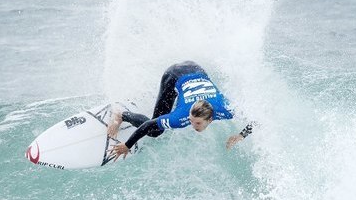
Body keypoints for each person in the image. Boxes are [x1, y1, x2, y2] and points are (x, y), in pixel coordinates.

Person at [107, 61, 256, 161]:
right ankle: (121, 114)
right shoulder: (180, 117)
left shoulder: (226, 109)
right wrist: (127, 145)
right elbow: (148, 126)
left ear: (210, 119)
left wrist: (240, 136)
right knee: (156, 132)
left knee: (166, 117)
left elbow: (256, 119)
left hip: (196, 69)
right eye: (191, 121)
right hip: (173, 75)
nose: (192, 125)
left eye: (197, 123)